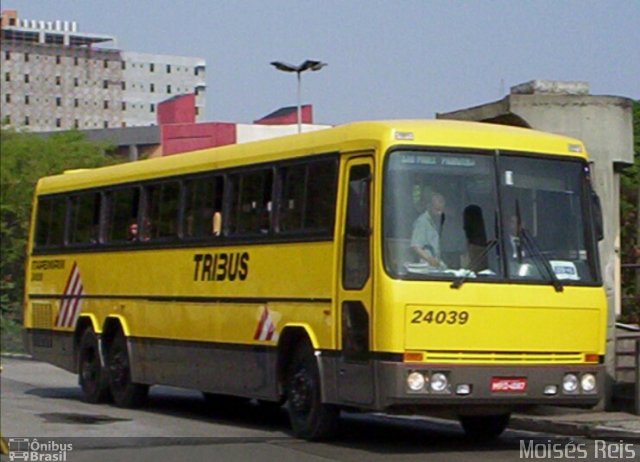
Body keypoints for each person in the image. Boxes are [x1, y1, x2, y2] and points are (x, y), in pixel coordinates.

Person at [411, 189, 447, 268]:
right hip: (424, 266)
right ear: (429, 206)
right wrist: (430, 259)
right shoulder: (422, 222)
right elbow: (416, 246)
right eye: (437, 210)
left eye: (441, 210)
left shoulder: (437, 221)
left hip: (435, 265)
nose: (439, 213)